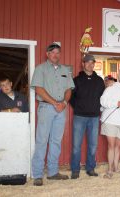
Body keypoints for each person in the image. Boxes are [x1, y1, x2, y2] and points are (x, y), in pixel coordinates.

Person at [31, 42, 75, 186]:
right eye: (53, 52)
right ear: (47, 54)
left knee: (56, 141)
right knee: (42, 140)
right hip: (46, 108)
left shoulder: (65, 70)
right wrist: (53, 103)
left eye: (58, 53)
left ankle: (52, 172)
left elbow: (69, 89)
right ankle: (37, 174)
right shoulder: (40, 69)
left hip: (61, 109)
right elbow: (38, 89)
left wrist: (64, 103)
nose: (56, 55)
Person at [70, 54, 105, 179]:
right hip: (79, 116)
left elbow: (103, 97)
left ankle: (90, 168)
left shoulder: (100, 81)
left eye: (92, 63)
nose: (90, 65)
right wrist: (78, 107)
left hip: (94, 117)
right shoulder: (76, 80)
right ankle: (75, 169)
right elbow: (71, 97)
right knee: (76, 145)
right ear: (83, 64)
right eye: (87, 62)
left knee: (93, 145)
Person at [100, 67, 120, 178]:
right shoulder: (111, 87)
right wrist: (116, 103)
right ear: (119, 76)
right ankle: (110, 170)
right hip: (110, 120)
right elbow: (103, 101)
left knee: (118, 146)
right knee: (111, 145)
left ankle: (116, 167)